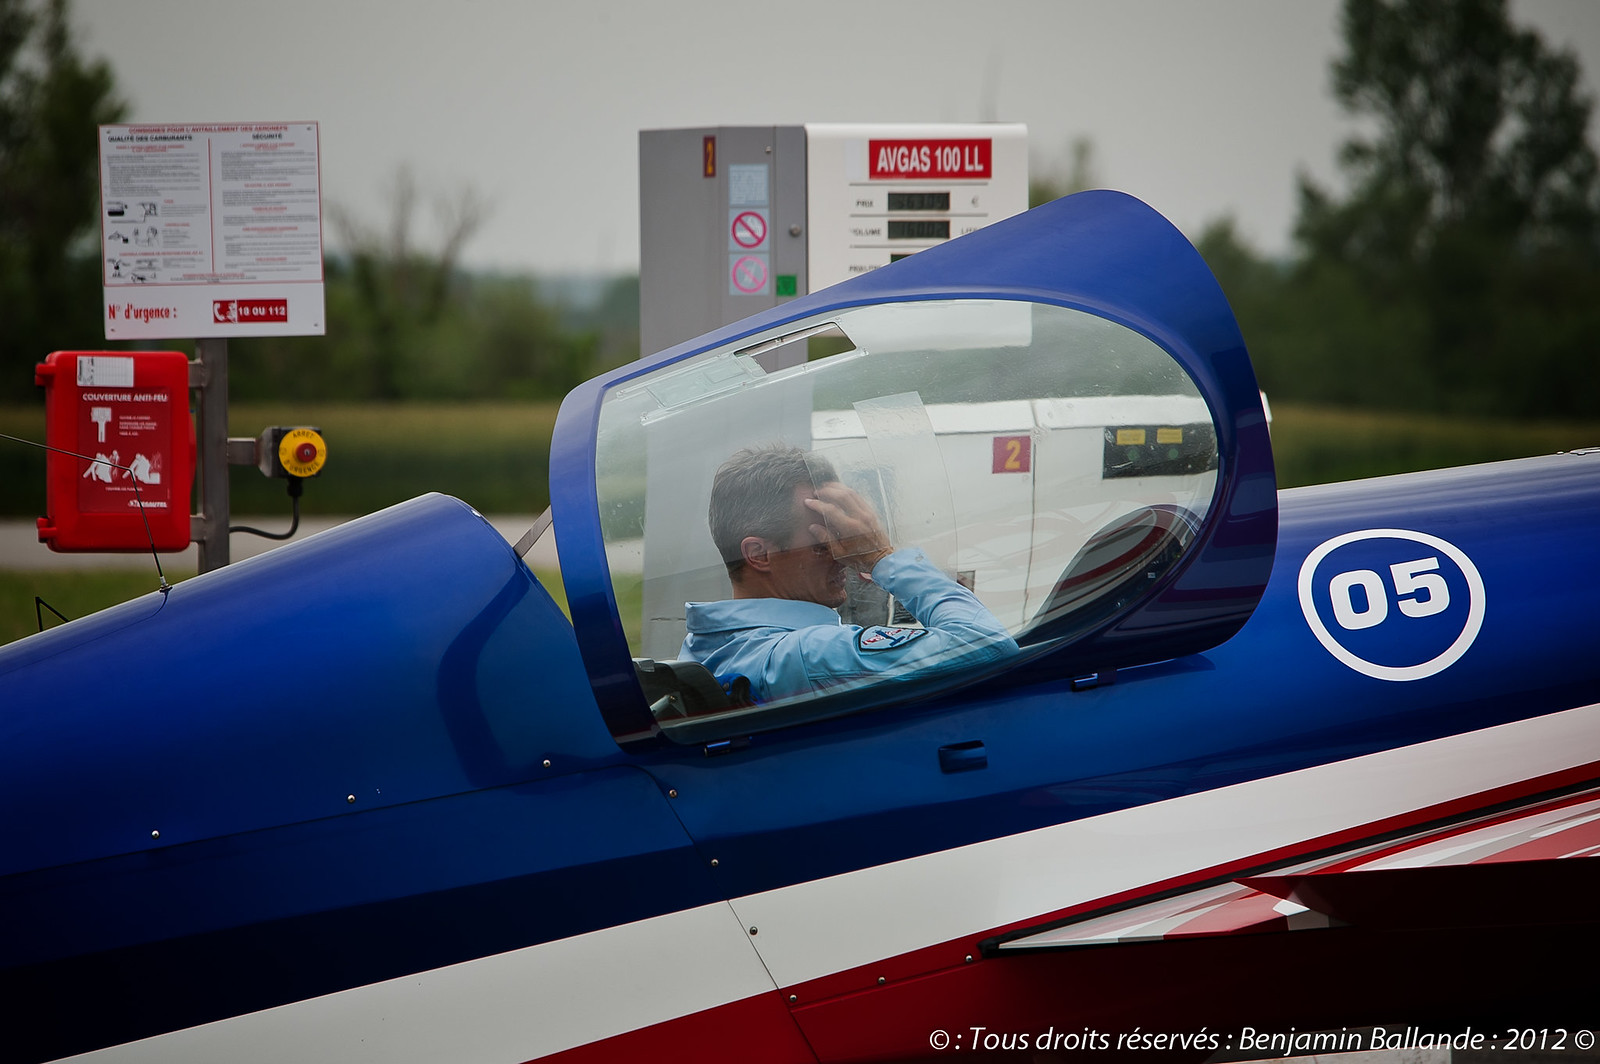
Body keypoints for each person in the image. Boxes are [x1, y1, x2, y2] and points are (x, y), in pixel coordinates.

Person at [680, 444, 1018, 704]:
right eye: (822, 542)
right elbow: (986, 646)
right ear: (760, 554)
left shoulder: (710, 644)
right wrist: (881, 556)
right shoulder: (806, 656)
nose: (842, 556)